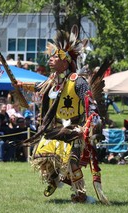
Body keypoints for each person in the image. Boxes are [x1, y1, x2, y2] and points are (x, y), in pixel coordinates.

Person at [20, 26, 108, 203]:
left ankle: (80, 193)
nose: (51, 60)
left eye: (55, 57)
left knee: (73, 162)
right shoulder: (53, 80)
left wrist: (91, 122)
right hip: (57, 127)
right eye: (51, 57)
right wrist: (20, 84)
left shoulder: (78, 81)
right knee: (45, 156)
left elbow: (90, 101)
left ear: (65, 61)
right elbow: (39, 87)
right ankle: (54, 178)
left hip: (75, 128)